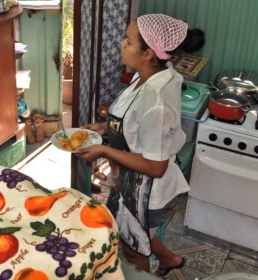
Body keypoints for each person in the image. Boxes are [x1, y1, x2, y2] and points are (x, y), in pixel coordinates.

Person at [76, 14, 190, 276]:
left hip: (145, 188)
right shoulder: (148, 75)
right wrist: (106, 129)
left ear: (149, 53)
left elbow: (156, 165)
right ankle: (170, 260)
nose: (121, 43)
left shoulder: (157, 99)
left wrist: (103, 149)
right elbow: (136, 123)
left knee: (133, 245)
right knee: (140, 232)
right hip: (128, 179)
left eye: (127, 40)